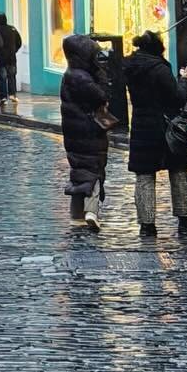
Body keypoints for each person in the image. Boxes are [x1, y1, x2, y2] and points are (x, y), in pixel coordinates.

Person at [124, 30, 187, 237]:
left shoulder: (130, 67)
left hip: (141, 126)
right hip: (167, 128)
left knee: (144, 175)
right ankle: (185, 219)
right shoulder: (160, 69)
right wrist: (185, 80)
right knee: (177, 171)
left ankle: (147, 225)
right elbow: (176, 99)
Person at [60, 34, 111, 231]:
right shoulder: (83, 78)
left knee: (79, 172)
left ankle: (76, 216)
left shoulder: (70, 74)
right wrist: (102, 73)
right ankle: (91, 211)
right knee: (94, 170)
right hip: (89, 131)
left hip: (73, 132)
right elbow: (101, 96)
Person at [0, 12, 22, 102]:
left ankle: (3, 96)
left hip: (0, 58)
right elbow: (19, 42)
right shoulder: (12, 29)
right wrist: (14, 50)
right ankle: (12, 94)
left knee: (2, 77)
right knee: (12, 76)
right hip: (11, 58)